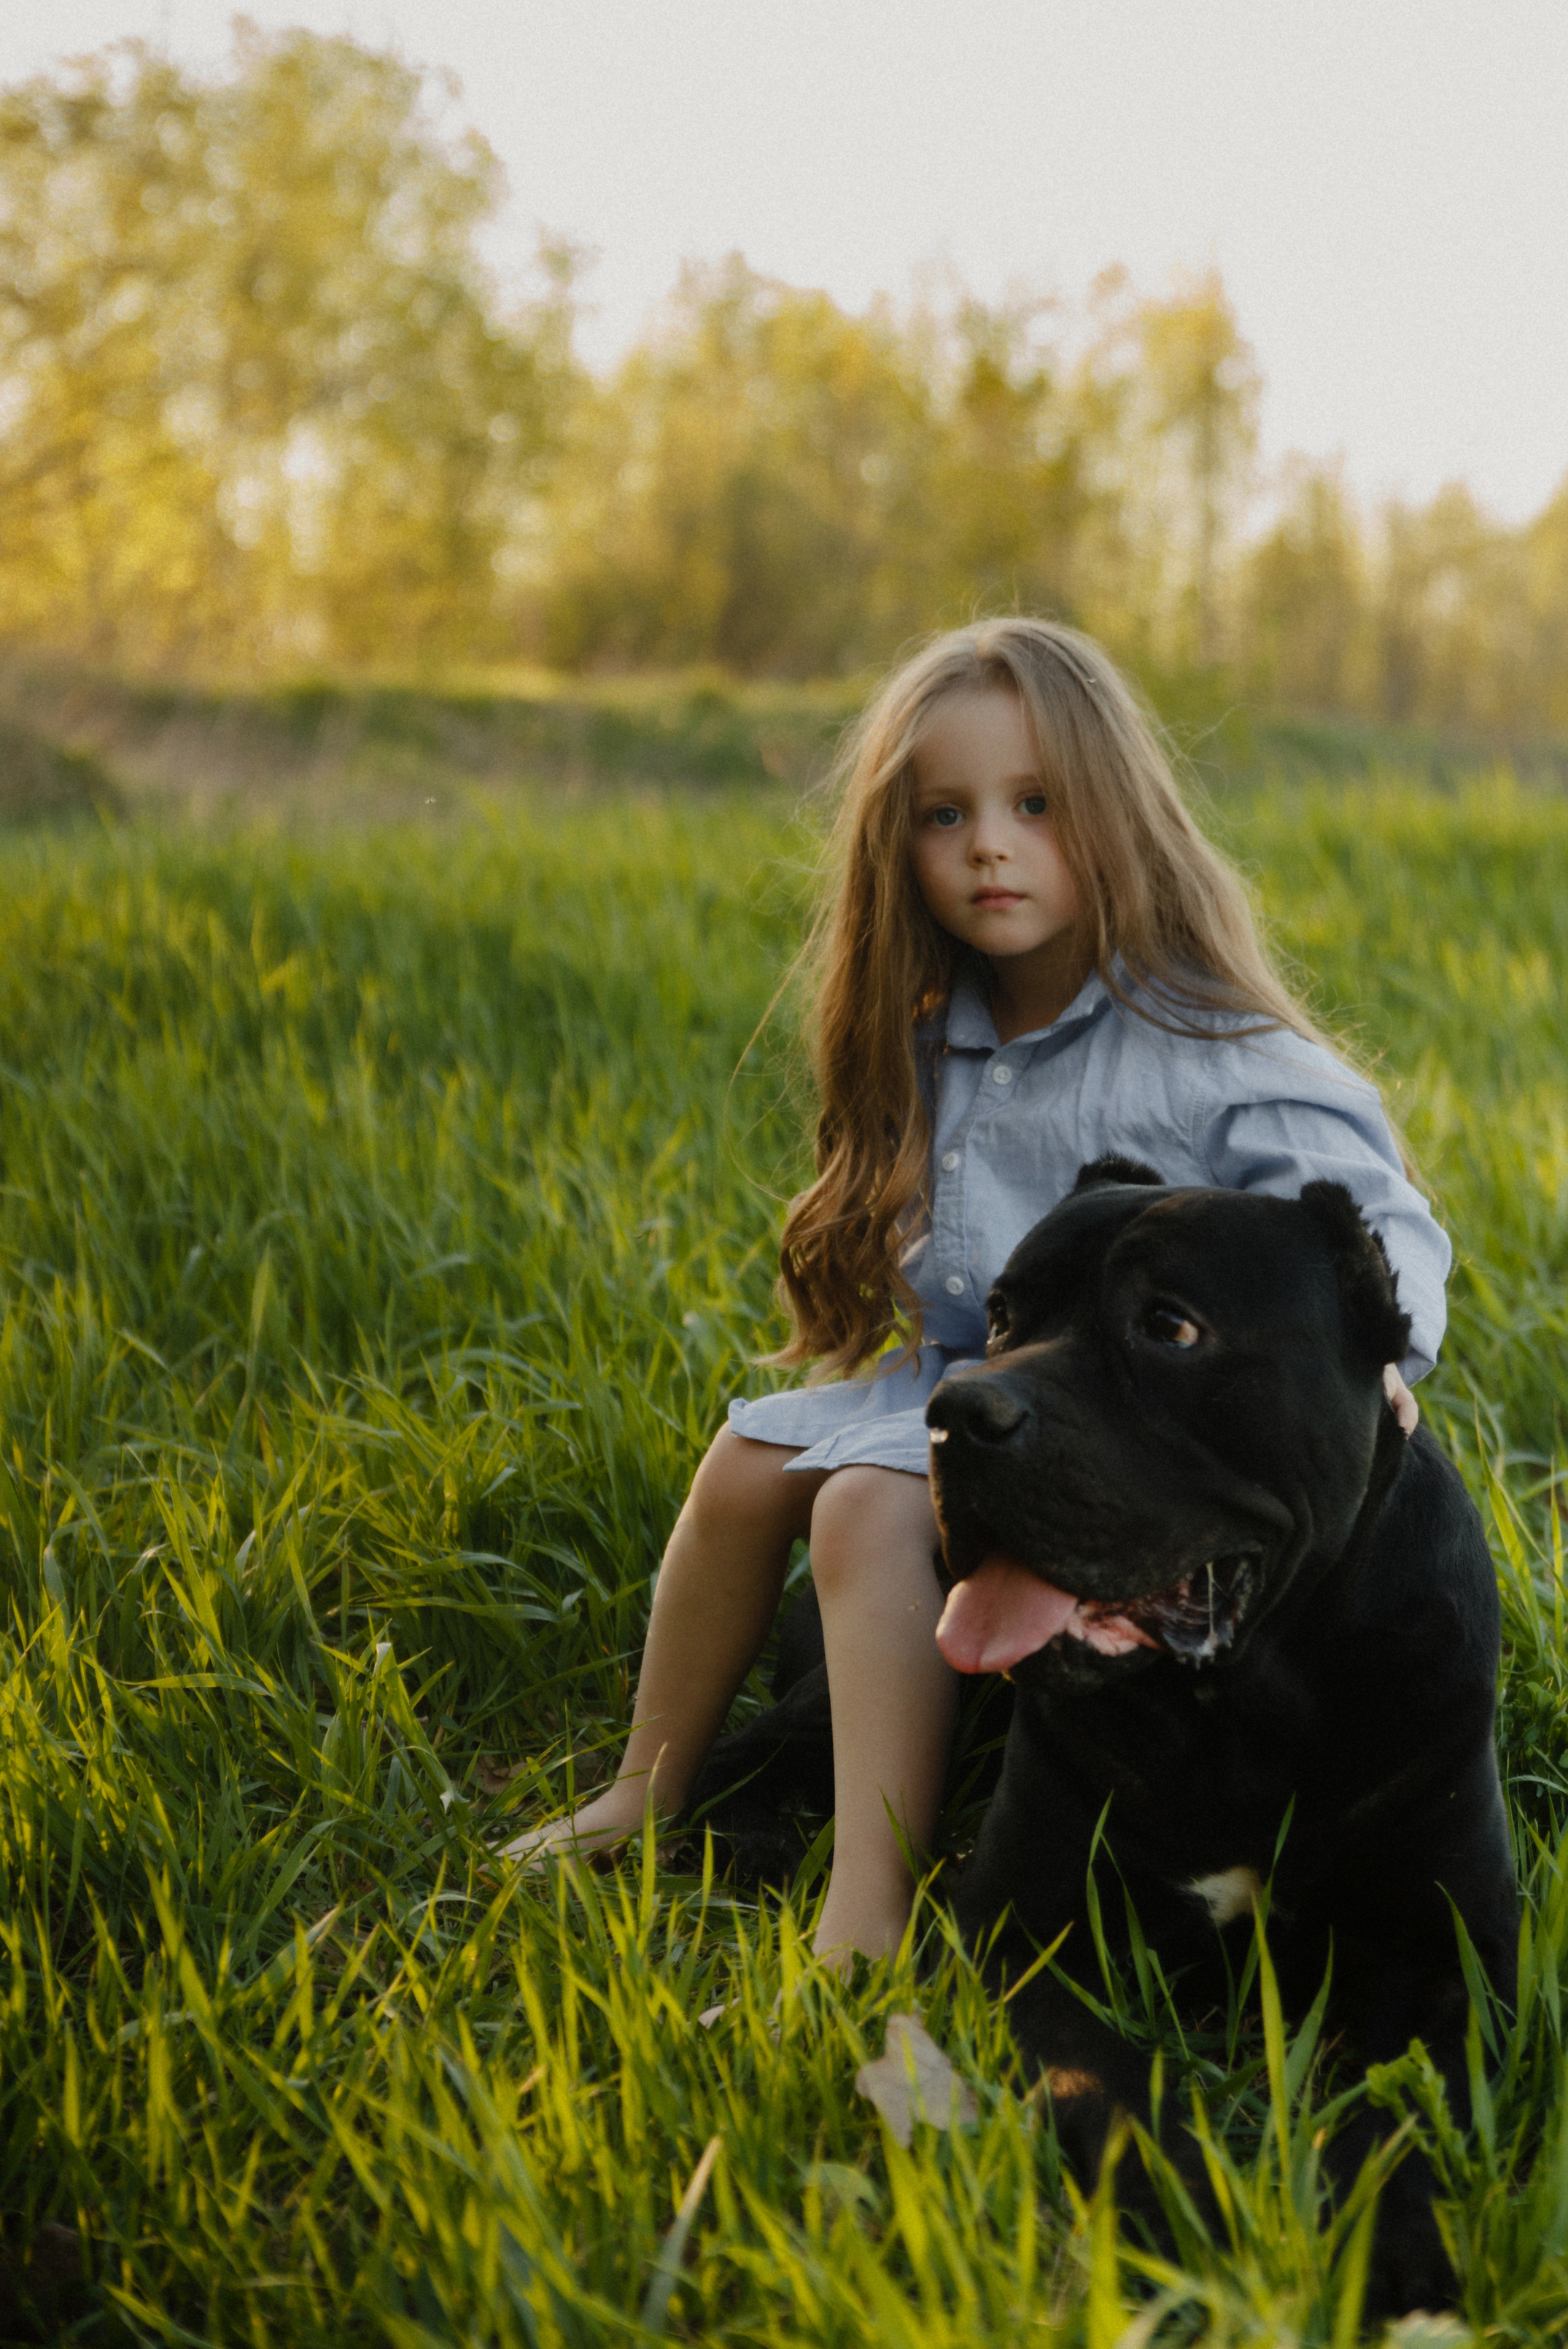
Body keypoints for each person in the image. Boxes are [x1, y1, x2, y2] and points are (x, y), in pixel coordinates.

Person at [502, 618, 1450, 1968]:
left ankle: (869, 1907)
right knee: (741, 1461)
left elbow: (1376, 1213)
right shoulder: (939, 1021)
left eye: (1034, 806)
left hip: (1120, 1428)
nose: (987, 846)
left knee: (865, 1511)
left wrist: (1384, 1345)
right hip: (975, 1382)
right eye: (945, 815)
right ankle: (647, 1783)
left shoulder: (1203, 1041)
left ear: (1119, 817)